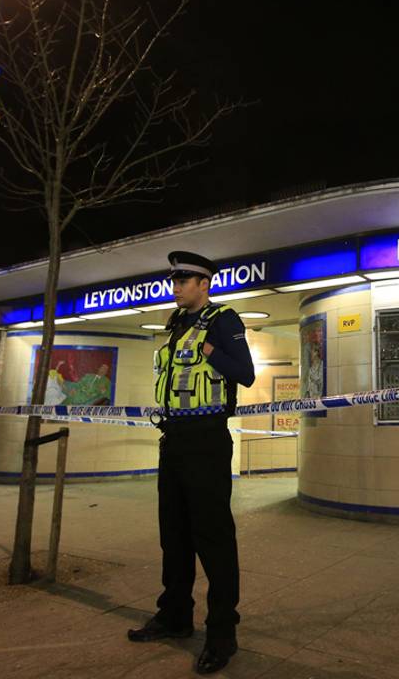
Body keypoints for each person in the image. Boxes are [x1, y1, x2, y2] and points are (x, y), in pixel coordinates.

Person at [127, 251, 255, 676]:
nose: (176, 285)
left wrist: (211, 349)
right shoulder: (175, 323)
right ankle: (175, 616)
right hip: (174, 440)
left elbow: (245, 373)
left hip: (206, 441)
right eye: (174, 279)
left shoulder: (224, 320)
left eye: (184, 279)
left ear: (205, 283)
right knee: (175, 535)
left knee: (213, 539)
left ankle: (222, 634)